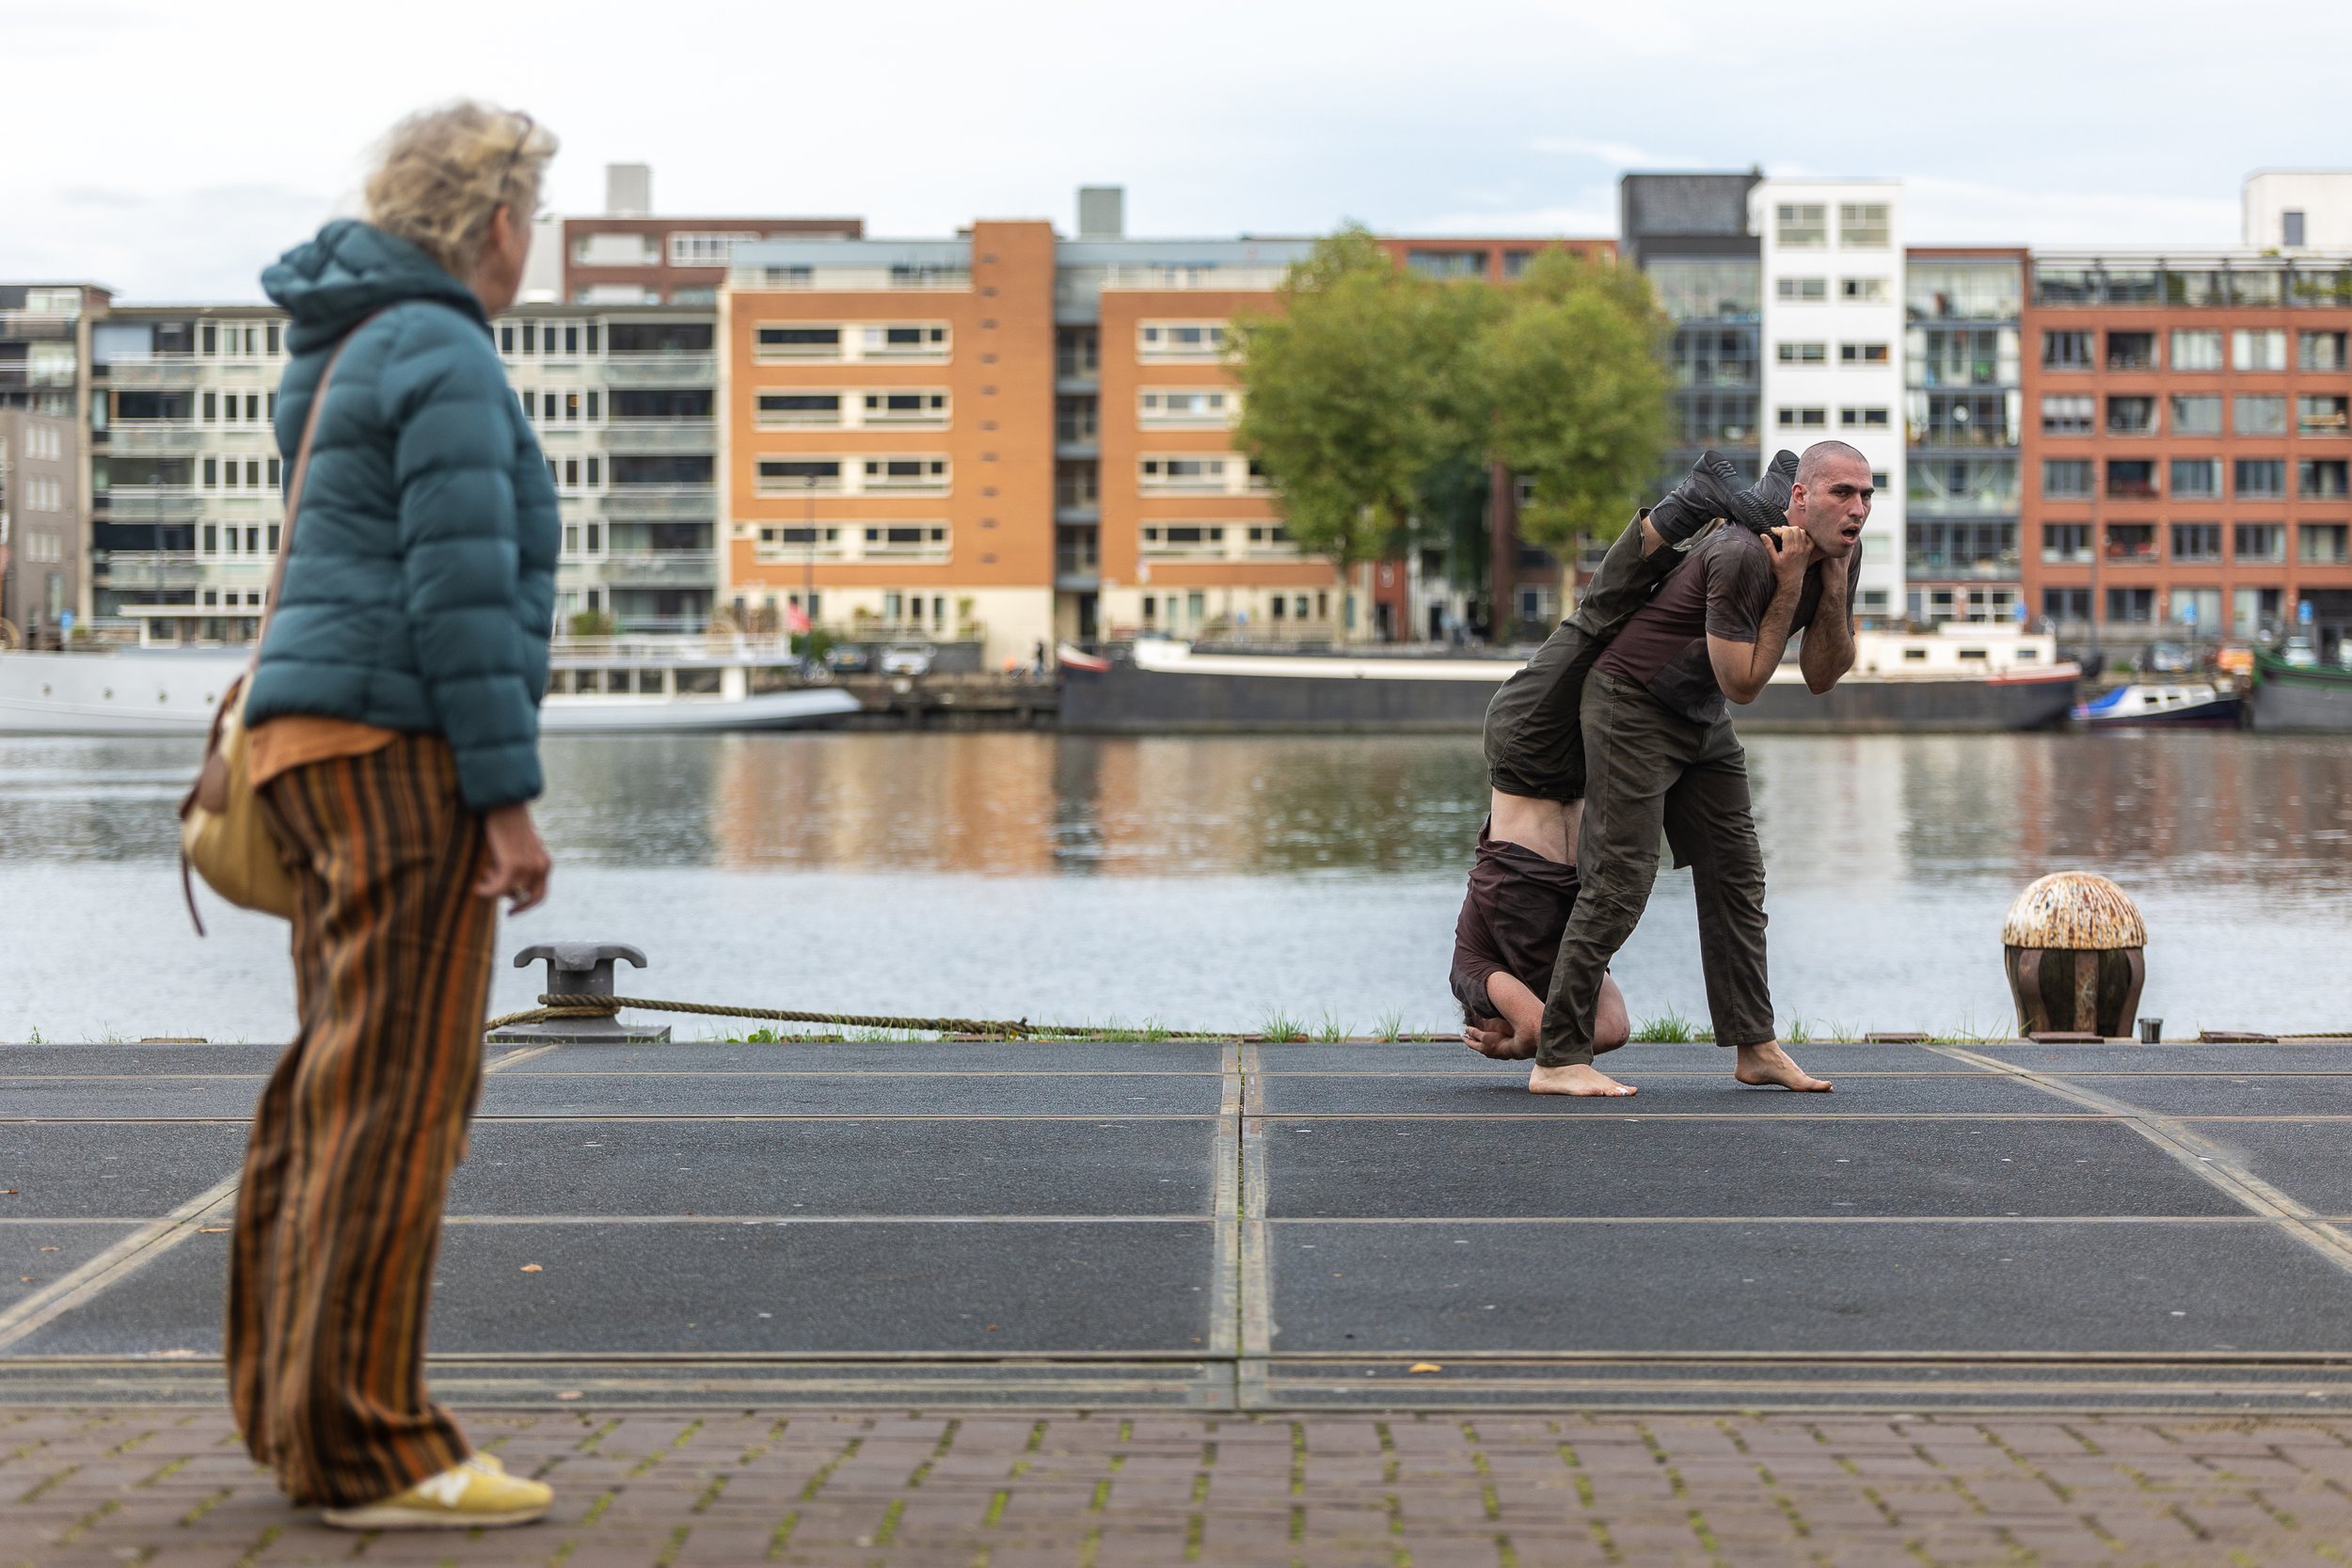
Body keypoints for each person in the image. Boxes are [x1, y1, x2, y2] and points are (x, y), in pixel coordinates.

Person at [229, 102, 563, 1530]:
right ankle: (372, 1446)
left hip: (304, 748)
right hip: (396, 751)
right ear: (493, 222)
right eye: (529, 212)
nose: (531, 239)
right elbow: (462, 597)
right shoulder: (442, 348)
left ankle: (296, 1410)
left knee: (331, 1085)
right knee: (396, 1098)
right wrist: (506, 796)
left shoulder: (350, 343)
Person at [1530, 440, 1873, 1097]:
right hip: (1630, 700)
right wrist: (1792, 584)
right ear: (1800, 498)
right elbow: (1744, 683)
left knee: (1738, 876)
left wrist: (1828, 589)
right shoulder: (1743, 552)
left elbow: (1824, 676)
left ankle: (1755, 1044)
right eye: (1842, 493)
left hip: (1698, 712)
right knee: (1620, 880)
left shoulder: (1840, 557)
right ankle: (1557, 1057)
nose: (1857, 508)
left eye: (1867, 496)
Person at [1453, 451, 1796, 1067]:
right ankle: (1750, 524)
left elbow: (1529, 1019)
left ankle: (1694, 499)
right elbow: (1611, 1028)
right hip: (1583, 756)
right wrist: (1527, 1037)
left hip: (1528, 748)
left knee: (1597, 620)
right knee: (1645, 618)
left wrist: (1522, 1038)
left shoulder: (1477, 967)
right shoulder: (1559, 959)